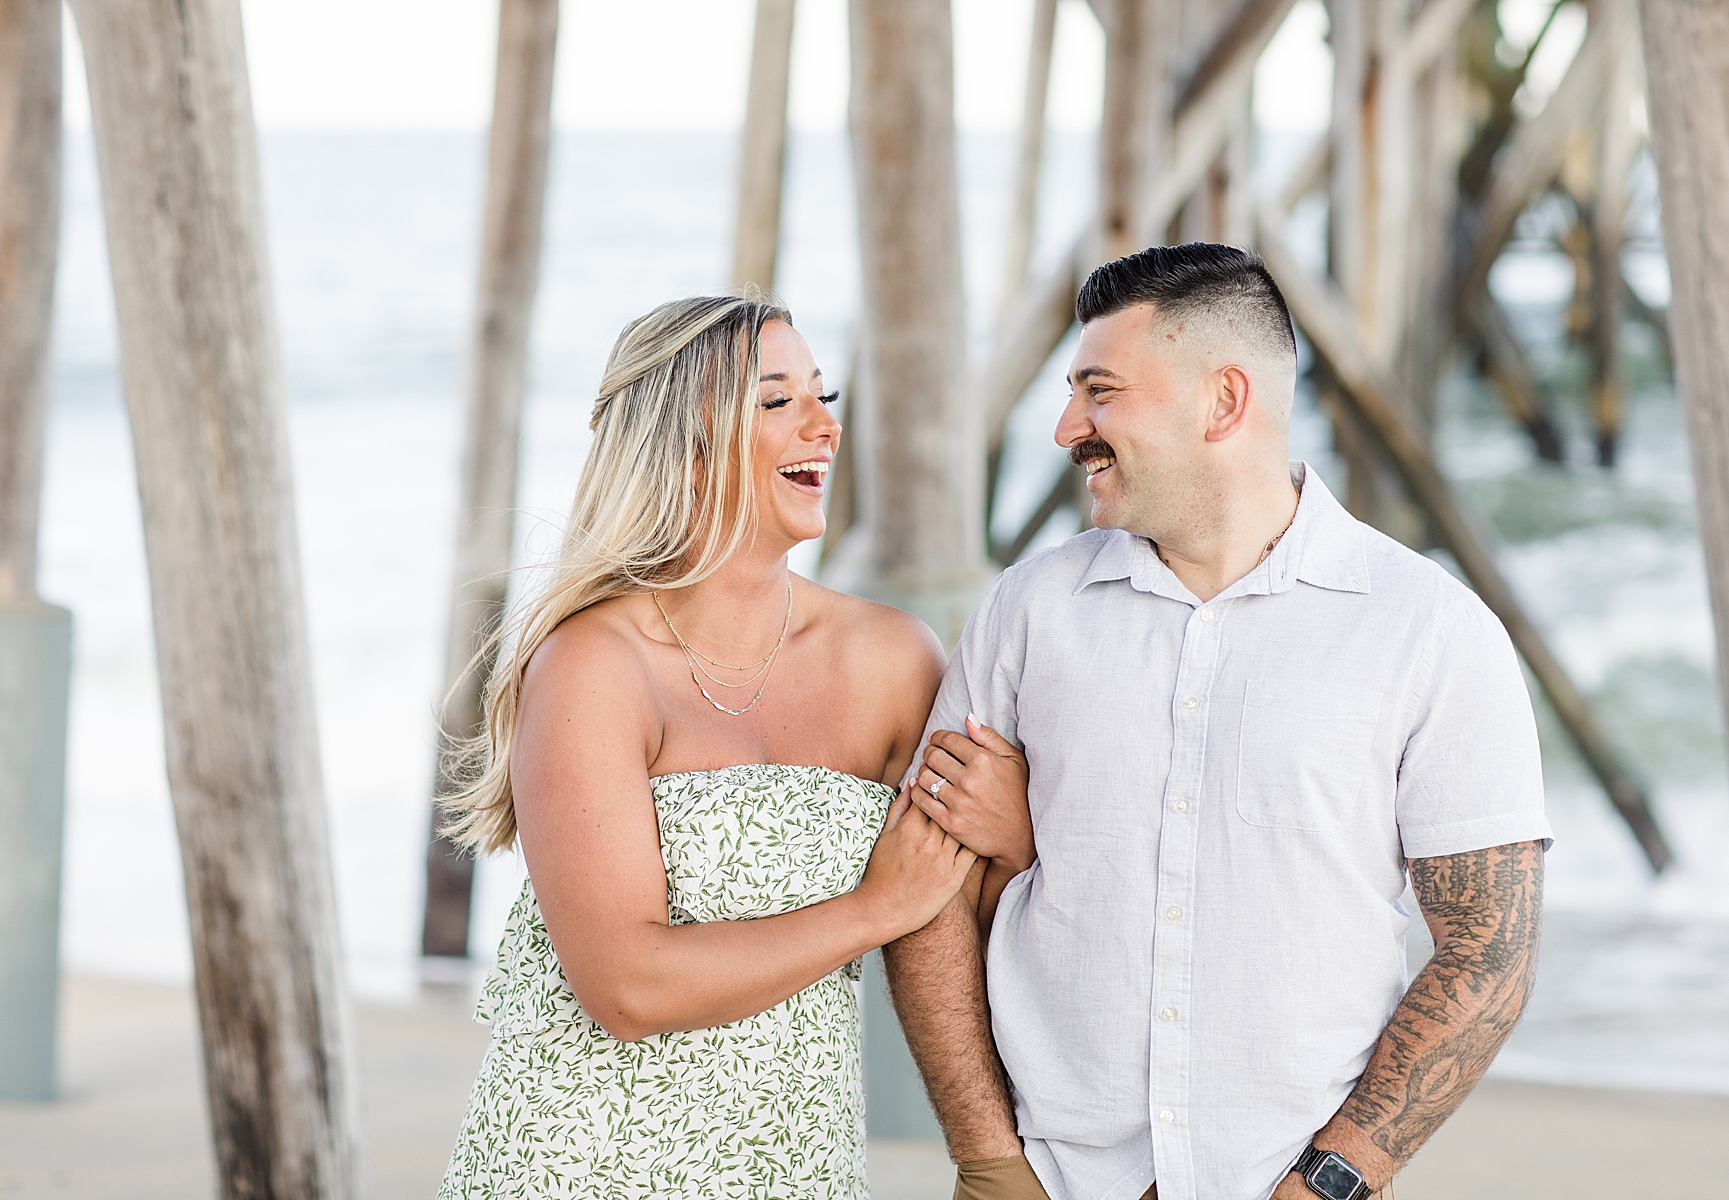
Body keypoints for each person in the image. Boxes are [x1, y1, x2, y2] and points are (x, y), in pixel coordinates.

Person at [887, 243, 1551, 1200]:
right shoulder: (1029, 609)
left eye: (1101, 391)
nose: (1070, 425)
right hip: (1050, 1177)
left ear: (1224, 402)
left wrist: (1332, 1179)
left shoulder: (1430, 629)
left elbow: (1491, 944)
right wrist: (989, 1158)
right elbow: (928, 896)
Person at [436, 294, 978, 1200]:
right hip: (582, 1165)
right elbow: (627, 987)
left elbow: (964, 901)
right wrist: (869, 912)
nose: (824, 426)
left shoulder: (892, 657)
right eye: (777, 402)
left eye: (824, 393)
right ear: (684, 445)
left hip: (799, 1165)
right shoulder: (593, 665)